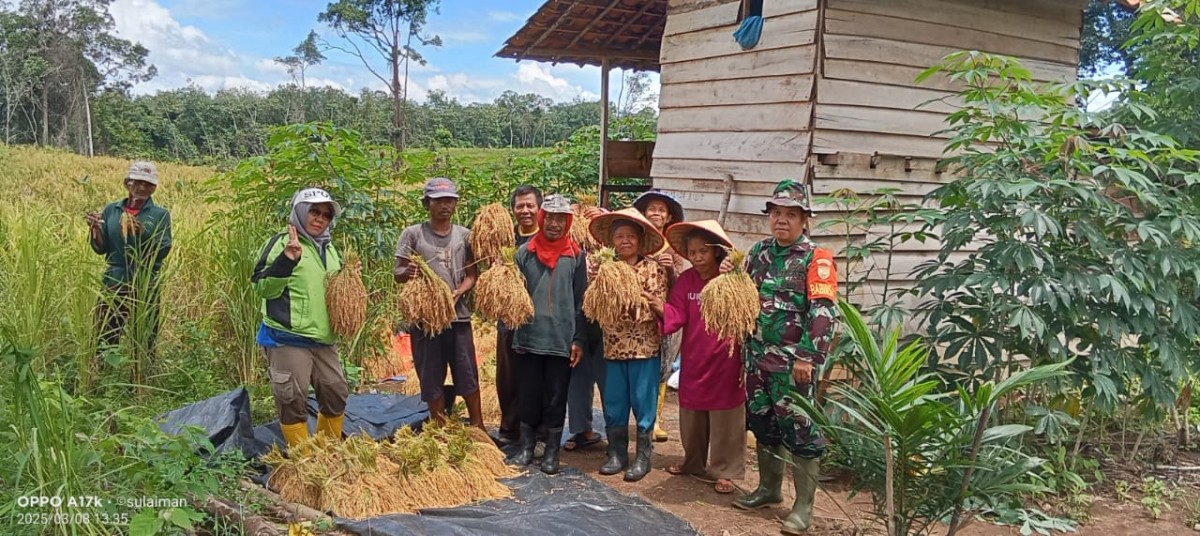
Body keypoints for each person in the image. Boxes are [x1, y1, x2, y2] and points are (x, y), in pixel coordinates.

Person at [723, 180, 837, 535]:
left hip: (793, 365)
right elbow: (743, 297)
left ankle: (803, 508)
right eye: (776, 213)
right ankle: (769, 489)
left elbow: (823, 312)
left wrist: (808, 357)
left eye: (791, 214)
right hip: (757, 359)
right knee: (763, 426)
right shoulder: (758, 252)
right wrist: (729, 274)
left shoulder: (816, 260)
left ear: (805, 219)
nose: (782, 220)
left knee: (801, 430)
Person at [646, 220, 746, 494]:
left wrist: (736, 272)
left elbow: (747, 311)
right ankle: (693, 462)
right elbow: (677, 315)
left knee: (726, 415)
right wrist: (660, 308)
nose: (698, 257)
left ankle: (725, 470)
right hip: (695, 356)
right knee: (692, 413)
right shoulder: (687, 281)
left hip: (727, 357)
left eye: (703, 251)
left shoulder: (731, 279)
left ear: (716, 252)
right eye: (692, 252)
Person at [251, 187, 353, 447]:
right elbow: (261, 287)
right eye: (314, 212)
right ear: (299, 212)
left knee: (335, 392)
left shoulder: (330, 250)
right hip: (288, 337)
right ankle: (302, 459)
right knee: (292, 399)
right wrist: (287, 260)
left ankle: (326, 449)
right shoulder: (281, 243)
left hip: (323, 338)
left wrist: (349, 276)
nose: (320, 218)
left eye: (326, 215)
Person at [394, 177, 483, 431]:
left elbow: (472, 275)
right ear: (427, 204)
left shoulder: (465, 235)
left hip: (459, 318)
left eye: (449, 201)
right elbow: (398, 273)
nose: (445, 205)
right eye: (439, 200)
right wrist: (410, 271)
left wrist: (458, 292)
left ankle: (478, 426)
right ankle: (438, 427)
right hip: (426, 321)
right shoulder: (412, 234)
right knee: (431, 375)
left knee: (466, 373)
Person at [507, 194, 587, 475]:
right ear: (542, 219)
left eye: (561, 219)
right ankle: (527, 447)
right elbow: (512, 298)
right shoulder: (524, 253)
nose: (554, 224)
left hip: (560, 341)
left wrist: (578, 340)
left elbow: (581, 301)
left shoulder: (576, 256)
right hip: (528, 338)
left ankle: (551, 451)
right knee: (528, 394)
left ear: (568, 222)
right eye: (550, 218)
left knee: (556, 396)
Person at [588, 208, 668, 482]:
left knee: (644, 403)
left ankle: (643, 457)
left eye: (630, 236)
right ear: (612, 241)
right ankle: (616, 453)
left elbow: (655, 309)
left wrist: (624, 303)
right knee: (614, 402)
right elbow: (596, 306)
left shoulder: (652, 269)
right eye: (619, 236)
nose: (625, 241)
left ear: (640, 240)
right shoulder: (605, 270)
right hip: (613, 348)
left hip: (644, 348)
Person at [86, 161, 173, 358]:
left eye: (148, 184)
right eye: (137, 182)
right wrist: (95, 230)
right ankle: (102, 380)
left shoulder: (160, 215)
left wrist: (141, 234)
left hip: (145, 283)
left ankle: (142, 381)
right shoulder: (112, 210)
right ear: (127, 183)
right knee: (105, 335)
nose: (142, 188)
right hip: (114, 280)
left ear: (154, 188)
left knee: (144, 339)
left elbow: (163, 248)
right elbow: (101, 248)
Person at [632, 188, 687, 443]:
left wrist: (670, 271)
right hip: (635, 314)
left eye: (661, 210)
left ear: (668, 217)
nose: (656, 213)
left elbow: (681, 285)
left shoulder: (674, 248)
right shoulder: (636, 241)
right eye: (651, 208)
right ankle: (640, 416)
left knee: (662, 367)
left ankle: (655, 419)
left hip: (666, 314)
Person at [495, 184, 543, 445]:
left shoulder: (546, 238)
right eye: (519, 206)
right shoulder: (506, 239)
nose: (524, 211)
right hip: (508, 318)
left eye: (529, 205)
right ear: (513, 209)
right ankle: (509, 428)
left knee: (536, 376)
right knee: (508, 375)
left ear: (539, 208)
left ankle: (538, 432)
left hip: (538, 318)